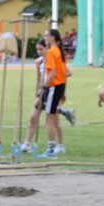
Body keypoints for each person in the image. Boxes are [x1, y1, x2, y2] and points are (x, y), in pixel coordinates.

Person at [41, 28, 68, 157]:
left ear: (53, 38)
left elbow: (52, 73)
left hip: (53, 86)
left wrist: (44, 86)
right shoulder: (59, 51)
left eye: (47, 36)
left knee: (49, 119)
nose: (45, 38)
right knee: (52, 117)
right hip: (59, 85)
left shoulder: (52, 52)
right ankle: (63, 111)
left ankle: (51, 149)